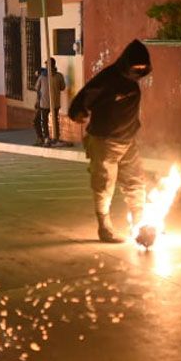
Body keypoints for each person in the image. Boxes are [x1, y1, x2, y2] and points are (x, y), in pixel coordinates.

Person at [69, 40, 151, 243]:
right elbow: (84, 96)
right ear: (126, 64)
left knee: (136, 183)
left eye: (142, 68)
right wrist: (77, 111)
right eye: (135, 67)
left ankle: (140, 225)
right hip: (104, 141)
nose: (138, 71)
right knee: (104, 185)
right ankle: (104, 227)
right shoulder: (107, 79)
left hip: (128, 140)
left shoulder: (132, 81)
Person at [33, 57, 67, 146]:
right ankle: (55, 137)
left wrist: (37, 101)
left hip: (43, 103)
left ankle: (46, 138)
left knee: (43, 120)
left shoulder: (42, 77)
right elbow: (63, 87)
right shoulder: (59, 76)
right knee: (55, 120)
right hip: (55, 102)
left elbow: (37, 88)